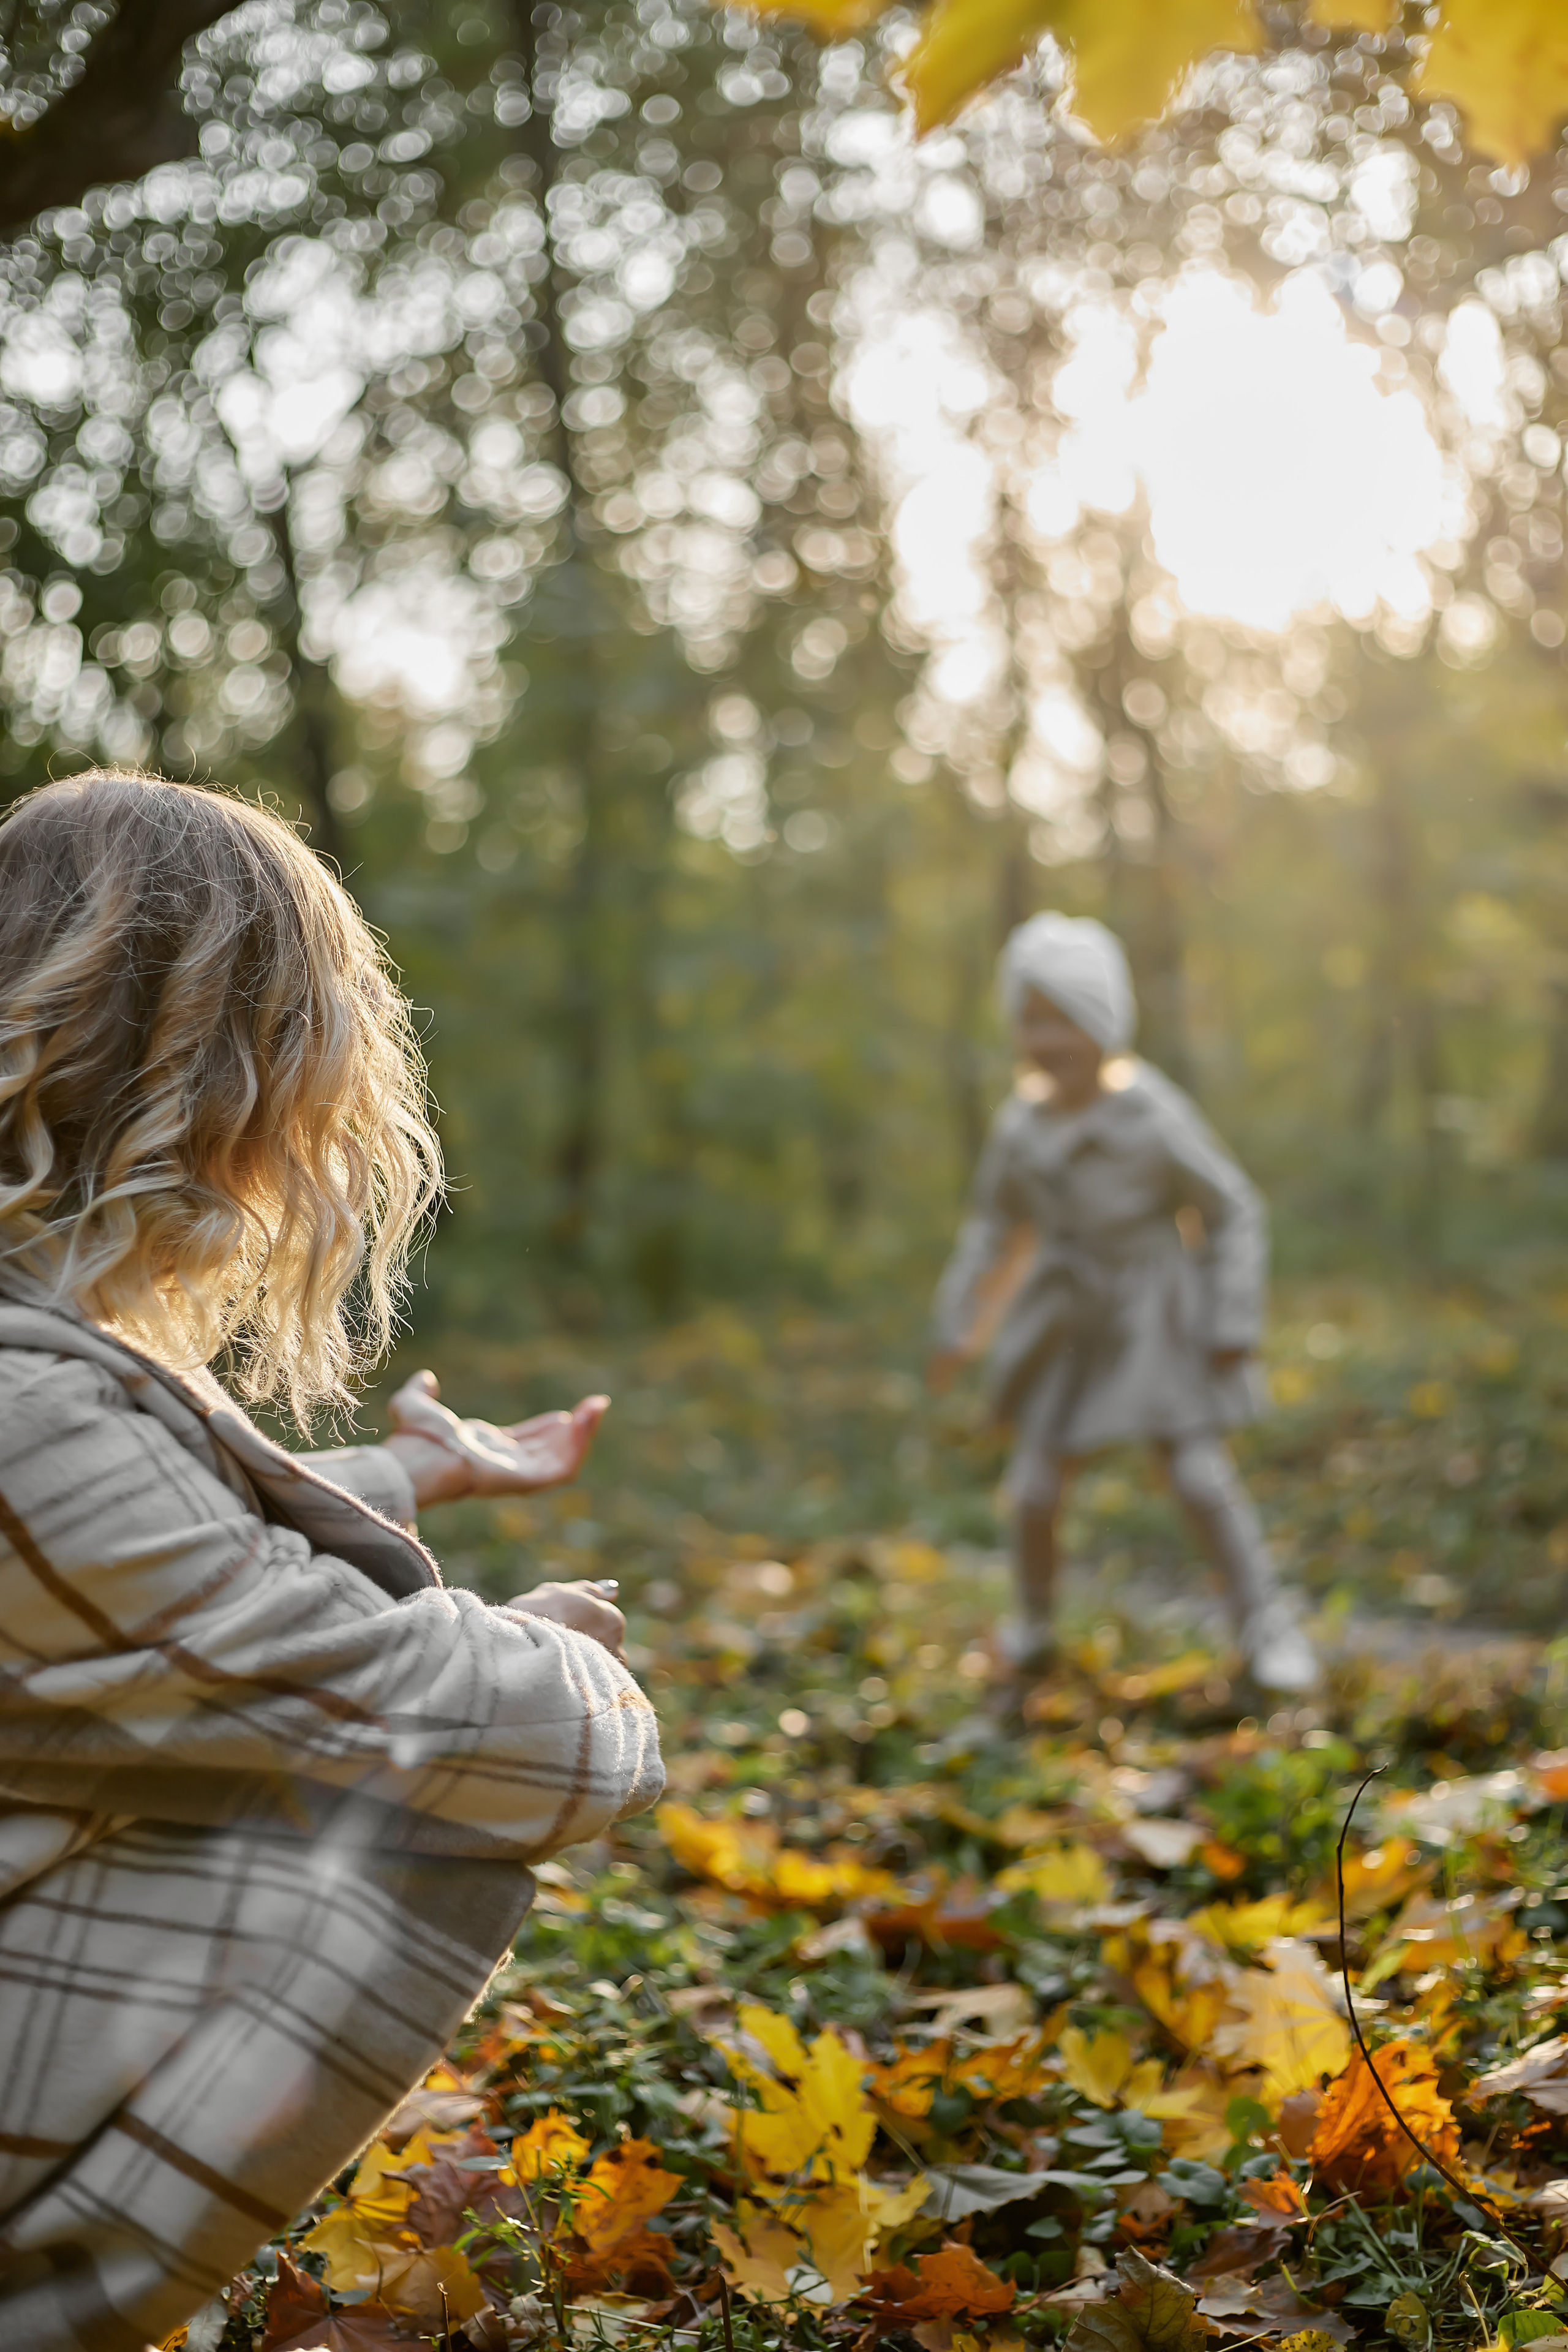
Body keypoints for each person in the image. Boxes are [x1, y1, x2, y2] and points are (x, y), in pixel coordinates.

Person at [0, 772, 665, 2351]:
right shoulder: (27, 1412)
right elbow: (516, 1746)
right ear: (218, 1074)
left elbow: (119, 1577)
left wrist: (405, 1476)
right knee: (411, 1810)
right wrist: (564, 1651)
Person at [929, 911, 1316, 1698]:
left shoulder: (1151, 1114)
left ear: (1104, 1024)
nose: (1047, 1040)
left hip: (1152, 1312)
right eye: (1031, 1020)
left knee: (1198, 1476)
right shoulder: (1020, 1126)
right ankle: (1034, 1623)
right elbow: (994, 1227)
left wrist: (1231, 1318)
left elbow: (1232, 1208)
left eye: (1064, 1019)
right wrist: (960, 1319)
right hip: (1062, 1321)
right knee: (1034, 1489)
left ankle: (1264, 1624)